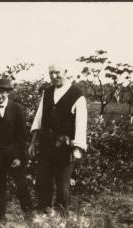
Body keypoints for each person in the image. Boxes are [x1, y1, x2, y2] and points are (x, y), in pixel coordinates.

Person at [28, 64, 87, 215]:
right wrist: (33, 142)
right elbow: (39, 118)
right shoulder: (47, 92)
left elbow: (81, 124)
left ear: (66, 72)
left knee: (62, 184)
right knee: (43, 179)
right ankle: (44, 209)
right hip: (46, 144)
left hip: (65, 147)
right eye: (50, 73)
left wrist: (77, 149)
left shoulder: (77, 94)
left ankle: (60, 214)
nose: (54, 76)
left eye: (57, 72)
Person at [0, 78, 33, 222]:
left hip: (14, 155)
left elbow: (22, 136)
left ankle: (28, 213)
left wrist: (18, 157)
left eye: (2, 92)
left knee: (21, 184)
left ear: (8, 93)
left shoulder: (17, 109)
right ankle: (0, 218)